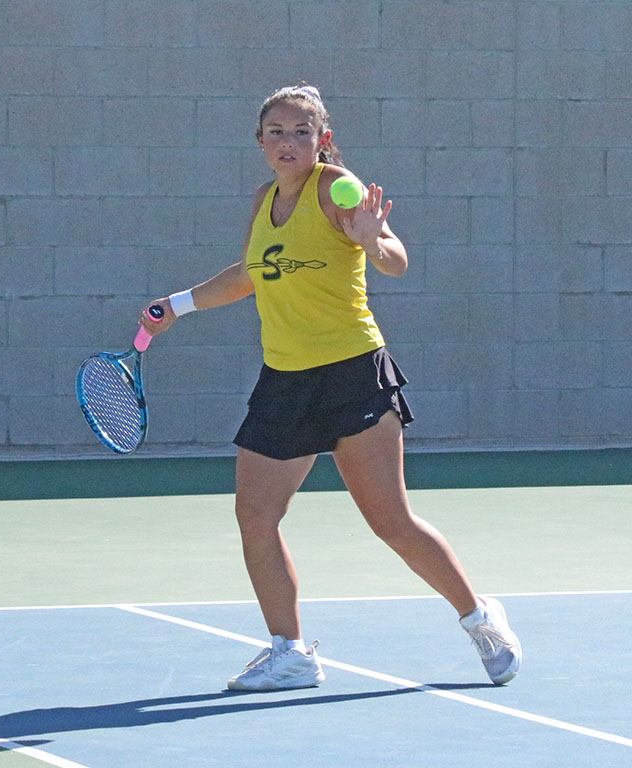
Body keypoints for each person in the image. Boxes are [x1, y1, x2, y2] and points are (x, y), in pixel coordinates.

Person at [139, 84, 522, 691]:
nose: (287, 143)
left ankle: (480, 619)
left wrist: (371, 237)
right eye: (276, 132)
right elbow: (250, 274)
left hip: (351, 374)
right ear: (260, 141)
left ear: (323, 139)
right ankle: (289, 653)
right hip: (284, 380)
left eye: (300, 132)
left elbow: (395, 259)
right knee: (255, 515)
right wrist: (177, 306)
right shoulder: (266, 199)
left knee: (391, 522)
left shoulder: (337, 187)